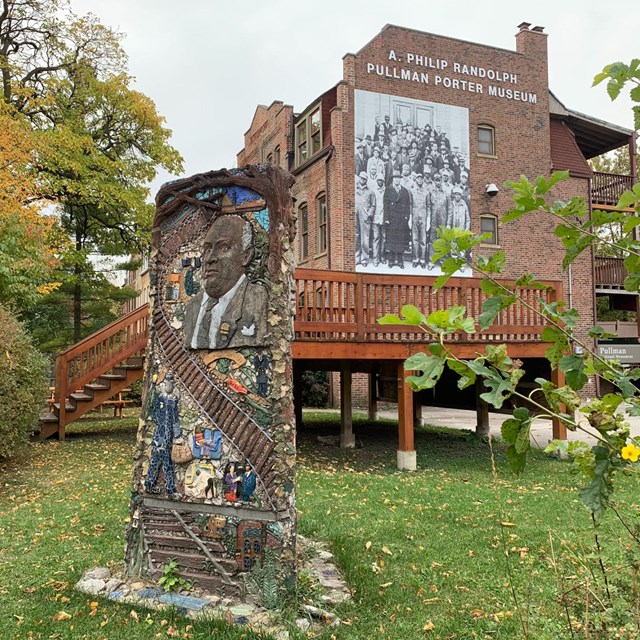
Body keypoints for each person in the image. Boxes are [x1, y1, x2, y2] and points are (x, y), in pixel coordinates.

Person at [183, 215, 268, 350]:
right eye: (207, 250)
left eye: (223, 248)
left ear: (246, 256)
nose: (210, 259)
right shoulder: (193, 306)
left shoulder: (259, 300)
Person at [145, 375, 181, 499]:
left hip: (168, 437)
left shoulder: (173, 400)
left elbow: (175, 418)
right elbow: (153, 413)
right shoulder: (160, 399)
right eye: (167, 384)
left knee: (163, 462)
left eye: (171, 384)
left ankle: (152, 485)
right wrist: (160, 423)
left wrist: (177, 434)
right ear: (164, 385)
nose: (169, 386)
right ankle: (168, 490)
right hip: (159, 436)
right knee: (160, 462)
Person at [383, 170, 411, 269]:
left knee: (400, 240)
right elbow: (385, 205)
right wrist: (386, 218)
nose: (397, 180)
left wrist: (407, 217)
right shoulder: (388, 190)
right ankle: (391, 260)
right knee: (391, 240)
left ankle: (400, 260)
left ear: (400, 179)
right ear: (392, 179)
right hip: (391, 219)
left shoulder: (404, 191)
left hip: (401, 220)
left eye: (398, 178)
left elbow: (408, 206)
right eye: (395, 178)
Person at [427, 174, 451, 269]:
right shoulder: (431, 192)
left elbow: (449, 209)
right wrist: (429, 219)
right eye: (436, 180)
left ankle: (442, 260)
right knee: (432, 239)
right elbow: (429, 206)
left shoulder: (446, 192)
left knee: (443, 240)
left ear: (441, 181)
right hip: (433, 219)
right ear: (434, 181)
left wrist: (448, 223)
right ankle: (432, 260)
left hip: (443, 220)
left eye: (439, 180)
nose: (438, 182)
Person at [410, 174, 432, 268]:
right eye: (418, 178)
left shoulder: (427, 192)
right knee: (415, 239)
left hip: (423, 217)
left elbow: (428, 206)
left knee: (423, 240)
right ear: (416, 180)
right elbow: (410, 205)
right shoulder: (412, 191)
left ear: (423, 180)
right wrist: (410, 217)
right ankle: (415, 259)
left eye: (421, 178)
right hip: (414, 216)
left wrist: (428, 219)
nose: (419, 180)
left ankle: (422, 260)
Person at [355, 171, 376, 267]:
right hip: (355, 214)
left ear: (366, 180)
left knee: (365, 238)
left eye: (364, 179)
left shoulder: (370, 191)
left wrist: (369, 214)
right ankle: (357, 257)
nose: (362, 180)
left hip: (365, 216)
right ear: (359, 178)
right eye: (361, 178)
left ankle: (364, 259)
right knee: (356, 237)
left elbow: (373, 205)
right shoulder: (354, 189)